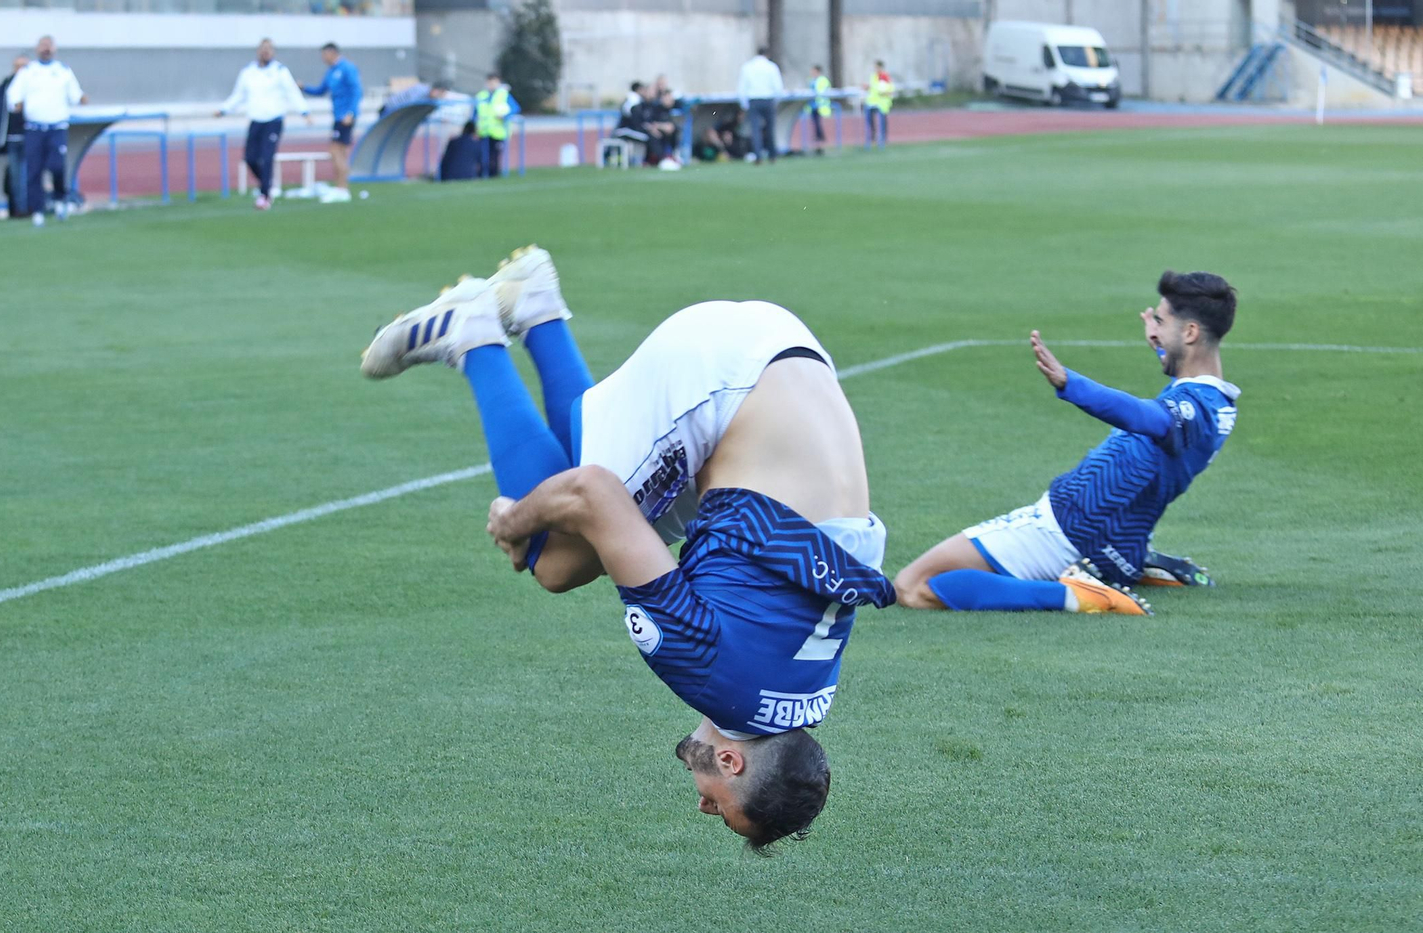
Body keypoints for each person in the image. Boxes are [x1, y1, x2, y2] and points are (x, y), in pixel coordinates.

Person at [360, 247, 894, 852]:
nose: (700, 804)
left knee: (600, 534)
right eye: (718, 808)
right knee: (557, 561)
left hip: (787, 356)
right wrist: (516, 522)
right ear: (733, 763)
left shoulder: (806, 703)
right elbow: (593, 492)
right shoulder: (715, 679)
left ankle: (536, 307)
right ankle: (472, 335)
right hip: (726, 377)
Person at [893, 272, 1241, 616]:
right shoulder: (1214, 401)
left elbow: (1146, 417)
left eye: (1162, 322)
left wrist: (1070, 383)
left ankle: (1076, 594)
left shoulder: (1194, 410)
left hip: (1064, 530)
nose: (1154, 331)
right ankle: (1133, 566)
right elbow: (1177, 402)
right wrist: (1163, 342)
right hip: (1115, 545)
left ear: (1190, 332)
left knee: (913, 585)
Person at [217, 38, 311, 211]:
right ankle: (266, 184)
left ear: (273, 52)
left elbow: (292, 91)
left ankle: (265, 195)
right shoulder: (248, 72)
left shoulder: (280, 71)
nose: (266, 52)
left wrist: (304, 112)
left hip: (274, 120)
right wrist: (224, 110)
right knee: (250, 158)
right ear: (258, 51)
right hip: (256, 120)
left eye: (269, 49)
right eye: (263, 49)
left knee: (267, 157)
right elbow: (239, 94)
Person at [6, 36, 87, 227]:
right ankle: (38, 211)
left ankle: (60, 200)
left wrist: (82, 98)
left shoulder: (63, 71)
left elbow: (76, 95)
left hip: (57, 127)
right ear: (37, 49)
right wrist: (15, 104)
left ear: (54, 49)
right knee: (34, 171)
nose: (46, 49)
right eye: (42, 46)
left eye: (49, 46)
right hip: (34, 128)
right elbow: (13, 94)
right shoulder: (28, 72)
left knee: (57, 166)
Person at [300, 42, 362, 177]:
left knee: (336, 151)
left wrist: (351, 113)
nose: (323, 58)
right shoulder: (331, 71)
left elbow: (357, 91)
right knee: (338, 152)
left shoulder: (347, 68)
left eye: (324, 54)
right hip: (338, 116)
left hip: (346, 117)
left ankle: (342, 188)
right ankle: (341, 188)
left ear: (332, 53)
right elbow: (321, 90)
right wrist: (304, 87)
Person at [0, 54, 31, 218]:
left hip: (32, 138)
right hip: (11, 139)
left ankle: (33, 206)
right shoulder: (4, 88)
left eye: (24, 66)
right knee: (16, 176)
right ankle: (19, 209)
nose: (20, 70)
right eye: (18, 66)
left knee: (30, 175)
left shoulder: (35, 87)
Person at [737, 47, 783, 164]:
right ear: (767, 54)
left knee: (755, 130)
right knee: (770, 129)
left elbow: (742, 87)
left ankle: (758, 156)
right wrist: (776, 101)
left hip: (753, 100)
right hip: (768, 99)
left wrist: (744, 104)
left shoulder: (747, 67)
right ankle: (772, 155)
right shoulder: (771, 67)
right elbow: (778, 87)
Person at [474, 73, 519, 178]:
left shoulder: (503, 94)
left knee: (494, 154)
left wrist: (505, 115)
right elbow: (475, 112)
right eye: (490, 82)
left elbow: (515, 108)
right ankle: (482, 172)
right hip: (483, 130)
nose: (491, 85)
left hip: (498, 131)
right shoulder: (482, 95)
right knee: (482, 153)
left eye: (494, 82)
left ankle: (493, 173)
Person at [864, 61, 893, 149]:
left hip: (882, 103)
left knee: (882, 122)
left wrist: (884, 93)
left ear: (881, 67)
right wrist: (867, 88)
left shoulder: (884, 76)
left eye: (877, 67)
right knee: (870, 121)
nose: (875, 69)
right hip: (872, 102)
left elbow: (887, 89)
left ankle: (883, 139)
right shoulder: (873, 76)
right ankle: (873, 138)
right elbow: (873, 88)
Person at [380, 80, 448, 117]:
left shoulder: (428, 97)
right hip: (390, 108)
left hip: (397, 111)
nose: (439, 97)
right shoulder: (420, 90)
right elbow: (410, 105)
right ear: (435, 90)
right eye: (440, 94)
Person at [808, 65, 832, 153]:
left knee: (819, 125)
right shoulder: (811, 81)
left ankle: (821, 144)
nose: (812, 73)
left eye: (813, 71)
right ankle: (818, 144)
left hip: (821, 106)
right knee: (815, 125)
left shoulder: (823, 80)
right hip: (813, 106)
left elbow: (823, 92)